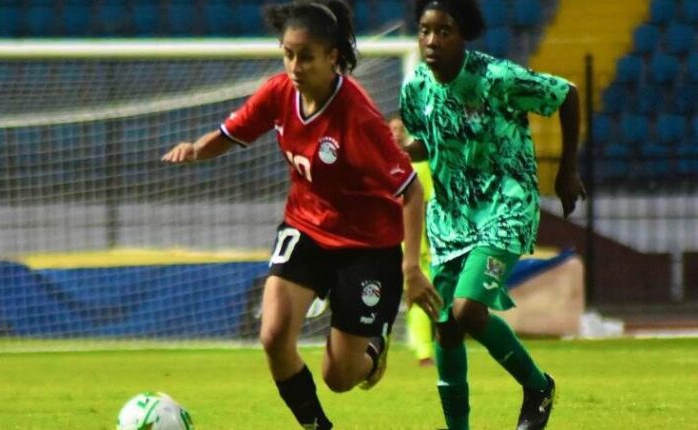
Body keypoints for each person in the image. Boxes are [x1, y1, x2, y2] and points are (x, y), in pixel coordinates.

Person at [162, 1, 440, 429]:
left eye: (305, 56)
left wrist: (411, 269)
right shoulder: (279, 92)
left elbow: (411, 191)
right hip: (306, 227)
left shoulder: (359, 118)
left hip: (366, 246)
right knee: (273, 335)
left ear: (332, 57)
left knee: (339, 377)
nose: (294, 66)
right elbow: (232, 132)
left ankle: (373, 350)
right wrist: (197, 149)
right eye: (288, 54)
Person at [399, 1, 587, 429]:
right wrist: (398, 151)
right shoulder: (415, 87)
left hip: (506, 205)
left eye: (443, 31)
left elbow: (567, 94)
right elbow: (429, 142)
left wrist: (567, 169)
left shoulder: (496, 78)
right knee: (445, 324)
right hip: (451, 217)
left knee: (465, 310)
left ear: (463, 34)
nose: (431, 41)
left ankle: (538, 386)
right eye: (425, 31)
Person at [388, 113, 435, 367]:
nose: (396, 133)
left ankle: (423, 351)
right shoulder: (376, 162)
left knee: (418, 295)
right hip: (383, 241)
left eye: (400, 129)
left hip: (414, 243)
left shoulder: (422, 167)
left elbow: (429, 205)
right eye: (392, 129)